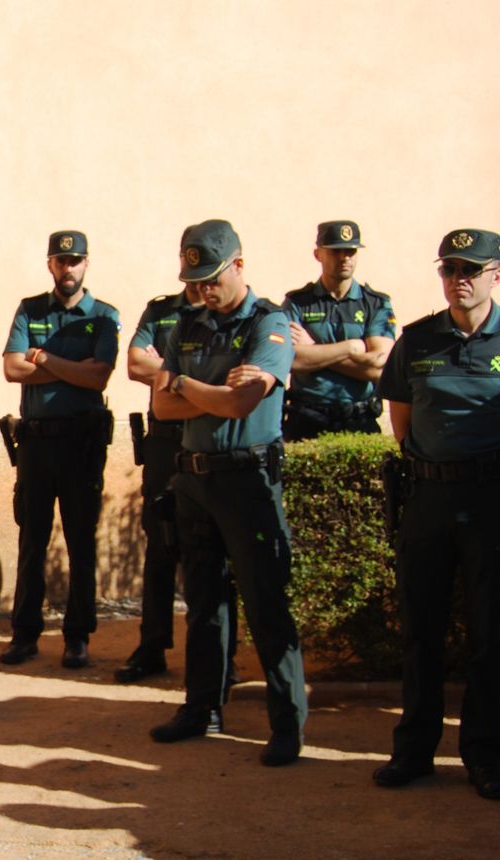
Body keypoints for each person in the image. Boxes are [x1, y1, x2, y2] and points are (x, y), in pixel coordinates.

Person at [148, 219, 308, 767]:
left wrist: (183, 385)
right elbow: (160, 408)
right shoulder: (187, 324)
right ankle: (201, 708)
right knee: (203, 604)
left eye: (210, 279)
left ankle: (286, 723)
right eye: (193, 280)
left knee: (266, 604)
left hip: (246, 481)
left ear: (239, 265)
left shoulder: (270, 325)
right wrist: (205, 390)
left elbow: (244, 404)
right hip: (195, 479)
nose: (200, 290)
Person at [372, 228, 500, 799]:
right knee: (420, 630)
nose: (458, 278)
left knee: (491, 635)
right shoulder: (418, 339)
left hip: (492, 499)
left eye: (470, 268)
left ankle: (485, 754)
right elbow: (402, 420)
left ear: (496, 273)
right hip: (427, 499)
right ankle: (413, 751)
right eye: (449, 269)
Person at [116, 239, 239, 686]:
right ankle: (152, 646)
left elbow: (239, 381)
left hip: (213, 442)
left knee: (220, 548)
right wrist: (206, 382)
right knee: (161, 543)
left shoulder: (237, 314)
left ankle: (224, 657)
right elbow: (134, 364)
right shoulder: (161, 312)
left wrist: (174, 377)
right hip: (166, 441)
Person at [0, 231, 120, 670]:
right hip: (35, 442)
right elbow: (12, 368)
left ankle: (77, 636)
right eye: (60, 260)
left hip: (81, 443)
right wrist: (73, 370)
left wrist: (45, 361)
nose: (68, 268)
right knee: (32, 539)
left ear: (86, 264)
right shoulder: (30, 310)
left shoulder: (104, 316)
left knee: (80, 541)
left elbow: (99, 377)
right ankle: (25, 634)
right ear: (50, 264)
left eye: (75, 260)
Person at [281, 221, 397, 441]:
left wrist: (314, 350)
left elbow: (377, 367)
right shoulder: (298, 302)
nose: (344, 258)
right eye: (336, 251)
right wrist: (351, 348)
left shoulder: (375, 303)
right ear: (318, 254)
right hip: (306, 420)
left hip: (358, 419)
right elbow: (290, 360)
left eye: (351, 251)